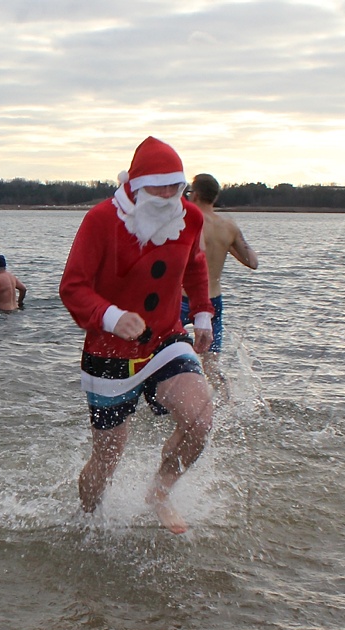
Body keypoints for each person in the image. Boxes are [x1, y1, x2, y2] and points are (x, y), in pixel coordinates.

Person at [58, 136, 215, 535]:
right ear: (135, 185)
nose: (167, 196)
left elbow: (195, 264)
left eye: (176, 187)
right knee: (107, 457)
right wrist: (110, 317)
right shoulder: (102, 220)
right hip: (109, 350)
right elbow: (72, 287)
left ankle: (159, 493)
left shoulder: (189, 217)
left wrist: (201, 315)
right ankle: (87, 521)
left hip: (165, 337)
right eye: (158, 187)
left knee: (200, 416)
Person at [182, 173, 260, 394]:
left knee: (159, 353)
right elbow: (252, 262)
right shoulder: (229, 226)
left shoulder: (189, 221)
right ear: (214, 198)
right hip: (213, 300)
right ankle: (228, 406)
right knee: (211, 366)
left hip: (184, 298)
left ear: (194, 195)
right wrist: (226, 245)